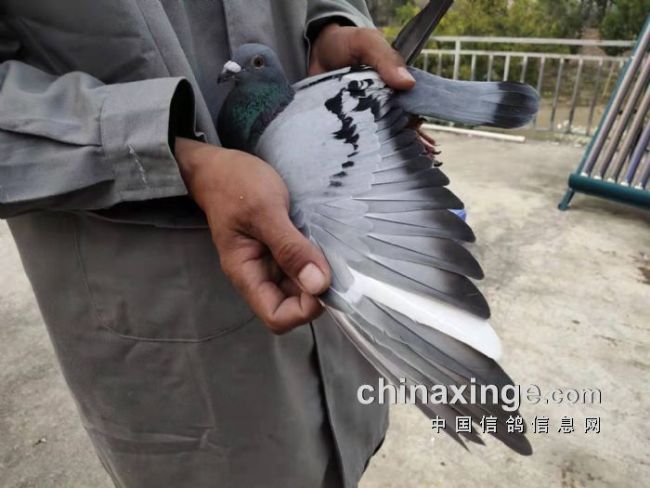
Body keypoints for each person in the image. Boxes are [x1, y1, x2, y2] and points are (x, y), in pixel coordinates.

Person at [0, 1, 416, 487]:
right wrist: (172, 153)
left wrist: (333, 24)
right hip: (177, 327)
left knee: (345, 455)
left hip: (342, 310)